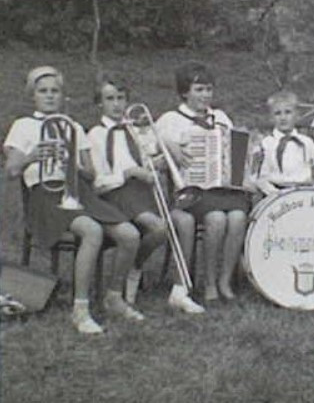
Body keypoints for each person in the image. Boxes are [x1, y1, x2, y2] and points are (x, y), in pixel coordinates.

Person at [3, 66, 144, 334]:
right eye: (43, 91)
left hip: (79, 192)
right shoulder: (23, 126)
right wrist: (33, 156)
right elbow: (11, 171)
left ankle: (114, 297)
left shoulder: (74, 127)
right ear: (33, 96)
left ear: (62, 96)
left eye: (55, 91)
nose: (49, 96)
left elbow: (90, 173)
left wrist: (73, 164)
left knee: (130, 234)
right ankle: (80, 309)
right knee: (92, 231)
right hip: (45, 196)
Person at [156, 61, 250, 305]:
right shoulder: (171, 120)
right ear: (184, 92)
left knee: (238, 217)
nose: (205, 95)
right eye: (199, 89)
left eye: (208, 89)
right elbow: (154, 149)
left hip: (223, 188)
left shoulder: (220, 117)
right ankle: (209, 283)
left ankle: (224, 280)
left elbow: (233, 148)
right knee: (217, 218)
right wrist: (170, 147)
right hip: (191, 192)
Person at [87, 75, 167, 307]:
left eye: (120, 98)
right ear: (99, 103)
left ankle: (134, 265)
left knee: (163, 230)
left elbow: (147, 160)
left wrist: (157, 163)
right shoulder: (96, 135)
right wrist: (128, 174)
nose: (116, 104)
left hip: (141, 193)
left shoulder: (135, 130)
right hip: (114, 194)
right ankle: (131, 273)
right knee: (159, 227)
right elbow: (97, 182)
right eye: (109, 98)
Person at [255, 90, 314, 194]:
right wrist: (275, 194)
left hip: (305, 192)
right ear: (271, 118)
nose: (283, 118)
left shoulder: (307, 142)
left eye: (288, 112)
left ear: (297, 115)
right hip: (275, 193)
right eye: (277, 113)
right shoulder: (266, 144)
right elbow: (261, 177)